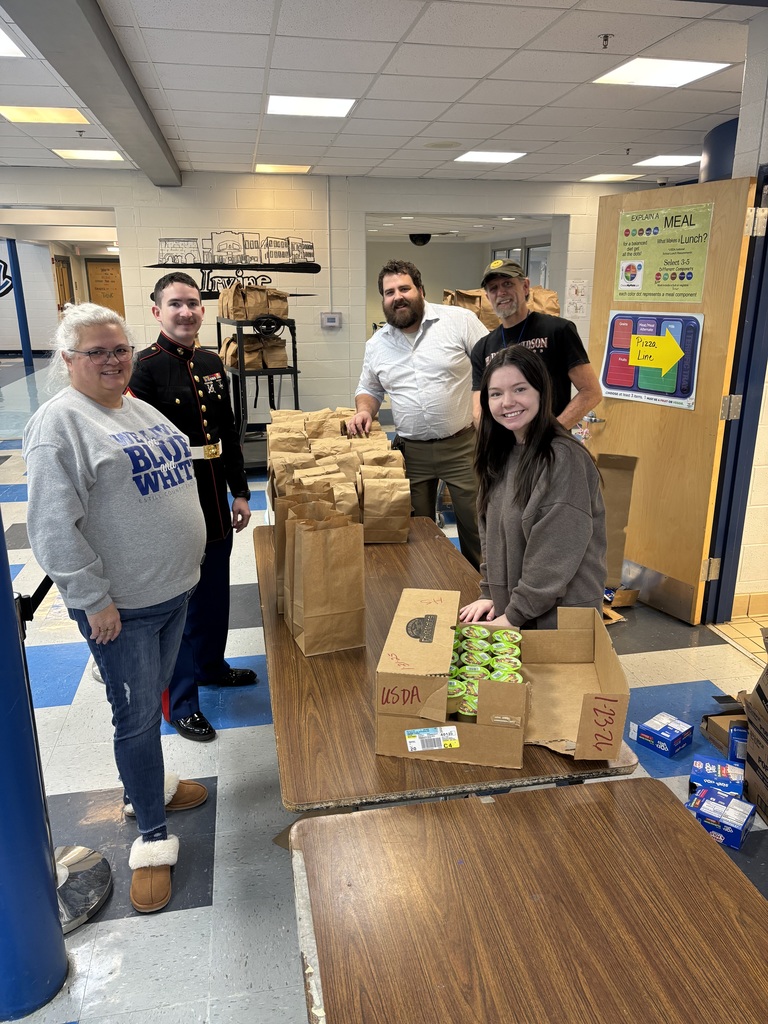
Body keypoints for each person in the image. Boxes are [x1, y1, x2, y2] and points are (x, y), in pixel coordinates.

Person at [23, 303, 208, 913]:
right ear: (68, 361)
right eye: (97, 351)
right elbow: (51, 529)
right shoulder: (60, 425)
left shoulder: (134, 406)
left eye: (120, 348)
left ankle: (142, 790)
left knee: (150, 699)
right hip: (122, 608)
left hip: (172, 591)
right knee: (131, 716)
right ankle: (152, 838)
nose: (112, 359)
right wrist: (92, 600)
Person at [127, 272, 257, 743]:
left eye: (194, 303)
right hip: (171, 501)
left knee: (213, 593)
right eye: (175, 304)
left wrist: (241, 491)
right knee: (178, 602)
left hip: (214, 498)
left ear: (203, 310)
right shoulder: (142, 369)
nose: (186, 312)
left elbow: (227, 430)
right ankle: (179, 702)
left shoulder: (211, 362)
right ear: (158, 311)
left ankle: (210, 666)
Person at [347, 259, 488, 569]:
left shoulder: (459, 321)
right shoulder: (377, 344)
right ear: (383, 299)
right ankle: (429, 591)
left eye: (404, 288)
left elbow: (494, 366)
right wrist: (364, 411)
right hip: (412, 452)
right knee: (415, 531)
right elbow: (369, 388)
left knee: (478, 528)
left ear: (421, 290)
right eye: (389, 292)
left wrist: (485, 408)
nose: (397, 296)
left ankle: (484, 595)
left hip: (463, 445)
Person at [459, 345, 606, 631]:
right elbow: (491, 532)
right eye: (496, 394)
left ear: (541, 391)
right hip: (520, 613)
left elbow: (555, 551)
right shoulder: (501, 453)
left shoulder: (562, 458)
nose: (507, 402)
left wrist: (515, 614)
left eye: (520, 389)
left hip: (559, 621)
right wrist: (489, 592)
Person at [471, 259, 602, 429]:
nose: (501, 292)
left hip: (550, 448)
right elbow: (478, 409)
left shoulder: (558, 331)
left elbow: (591, 392)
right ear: (488, 297)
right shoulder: (482, 348)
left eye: (508, 284)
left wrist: (552, 434)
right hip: (506, 450)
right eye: (493, 288)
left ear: (525, 287)